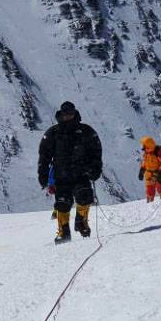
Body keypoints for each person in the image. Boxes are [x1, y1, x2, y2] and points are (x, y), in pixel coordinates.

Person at [38, 101, 102, 243]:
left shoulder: (86, 131)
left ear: (75, 113)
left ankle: (81, 222)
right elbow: (44, 156)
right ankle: (63, 233)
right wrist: (43, 175)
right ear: (61, 114)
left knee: (85, 197)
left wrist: (95, 168)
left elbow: (96, 151)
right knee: (62, 204)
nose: (68, 116)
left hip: (81, 173)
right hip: (61, 176)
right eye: (66, 114)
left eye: (71, 114)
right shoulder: (53, 133)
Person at [139, 136, 161, 202]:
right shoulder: (146, 153)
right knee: (149, 188)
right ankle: (149, 202)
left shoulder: (158, 152)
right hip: (148, 173)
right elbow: (145, 162)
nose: (143, 148)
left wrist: (160, 172)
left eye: (145, 146)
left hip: (157, 173)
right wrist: (142, 170)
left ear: (149, 146)